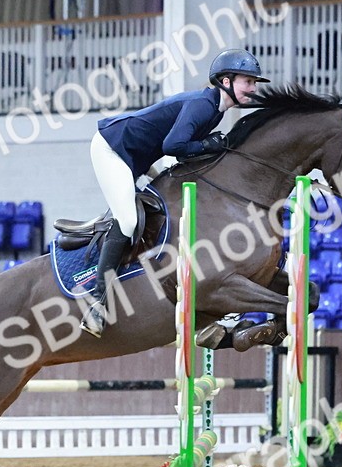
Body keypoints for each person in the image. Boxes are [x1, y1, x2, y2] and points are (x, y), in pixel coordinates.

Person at [80, 48, 269, 337]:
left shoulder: (215, 111)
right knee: (128, 221)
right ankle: (96, 303)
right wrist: (208, 146)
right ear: (226, 81)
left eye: (254, 83)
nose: (253, 89)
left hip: (139, 157)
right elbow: (173, 146)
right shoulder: (203, 105)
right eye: (248, 82)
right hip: (113, 148)